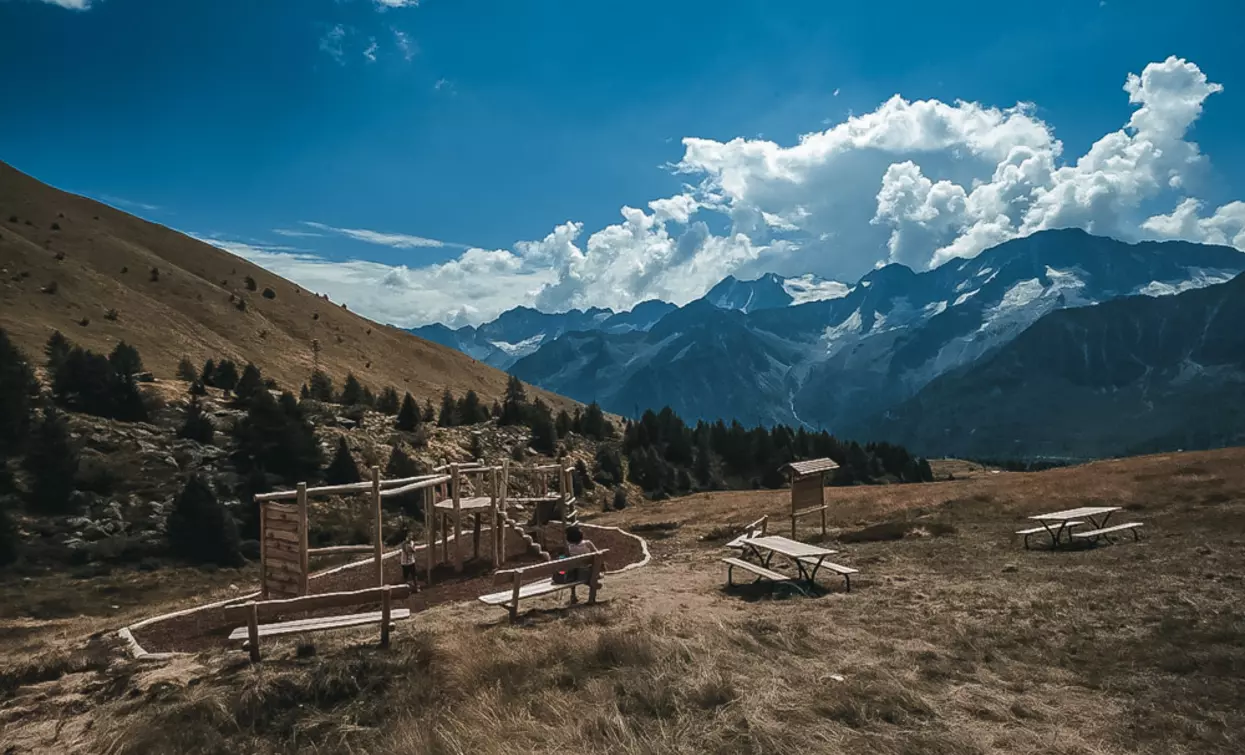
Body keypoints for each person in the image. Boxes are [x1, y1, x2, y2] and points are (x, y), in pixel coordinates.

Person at [564, 526, 598, 604]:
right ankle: (591, 598)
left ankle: (573, 595)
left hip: (575, 576)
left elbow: (567, 558)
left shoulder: (570, 547)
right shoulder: (588, 543)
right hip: (589, 573)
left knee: (571, 569)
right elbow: (597, 554)